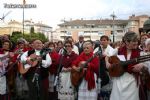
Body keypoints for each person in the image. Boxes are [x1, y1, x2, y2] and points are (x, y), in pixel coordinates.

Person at [106, 31, 145, 100]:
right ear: (127, 42)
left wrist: (142, 65)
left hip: (132, 81)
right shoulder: (118, 50)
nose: (136, 43)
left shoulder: (140, 52)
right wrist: (107, 63)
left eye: (137, 41)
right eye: (134, 41)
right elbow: (107, 56)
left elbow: (146, 64)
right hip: (119, 80)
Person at [94, 35, 116, 100]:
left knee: (107, 88)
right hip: (99, 71)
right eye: (102, 40)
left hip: (108, 72)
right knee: (99, 88)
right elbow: (93, 56)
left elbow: (112, 58)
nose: (103, 41)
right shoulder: (97, 49)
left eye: (104, 40)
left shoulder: (112, 49)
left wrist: (105, 56)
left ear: (108, 41)